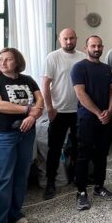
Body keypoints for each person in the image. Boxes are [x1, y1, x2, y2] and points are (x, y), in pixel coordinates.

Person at [0, 48, 44, 223]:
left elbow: (40, 100)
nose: (3, 62)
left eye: (8, 59)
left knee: (21, 174)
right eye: (0, 59)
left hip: (25, 132)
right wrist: (27, 110)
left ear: (17, 62)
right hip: (2, 135)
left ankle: (13, 214)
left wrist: (32, 116)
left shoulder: (28, 80)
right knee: (2, 178)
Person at [71, 36, 112, 211]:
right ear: (86, 48)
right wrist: (98, 113)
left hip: (105, 119)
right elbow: (80, 93)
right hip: (87, 119)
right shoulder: (79, 67)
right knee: (83, 155)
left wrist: (109, 111)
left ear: (102, 47)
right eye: (93, 46)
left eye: (99, 46)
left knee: (102, 155)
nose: (96, 49)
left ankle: (99, 186)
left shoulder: (106, 69)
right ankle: (81, 192)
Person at [42, 28, 86, 199]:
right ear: (60, 40)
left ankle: (76, 178)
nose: (69, 41)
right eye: (65, 39)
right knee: (54, 148)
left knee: (77, 147)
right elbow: (45, 84)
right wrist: (49, 108)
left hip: (79, 111)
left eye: (71, 38)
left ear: (76, 39)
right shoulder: (53, 57)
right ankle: (50, 182)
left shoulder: (83, 57)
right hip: (58, 111)